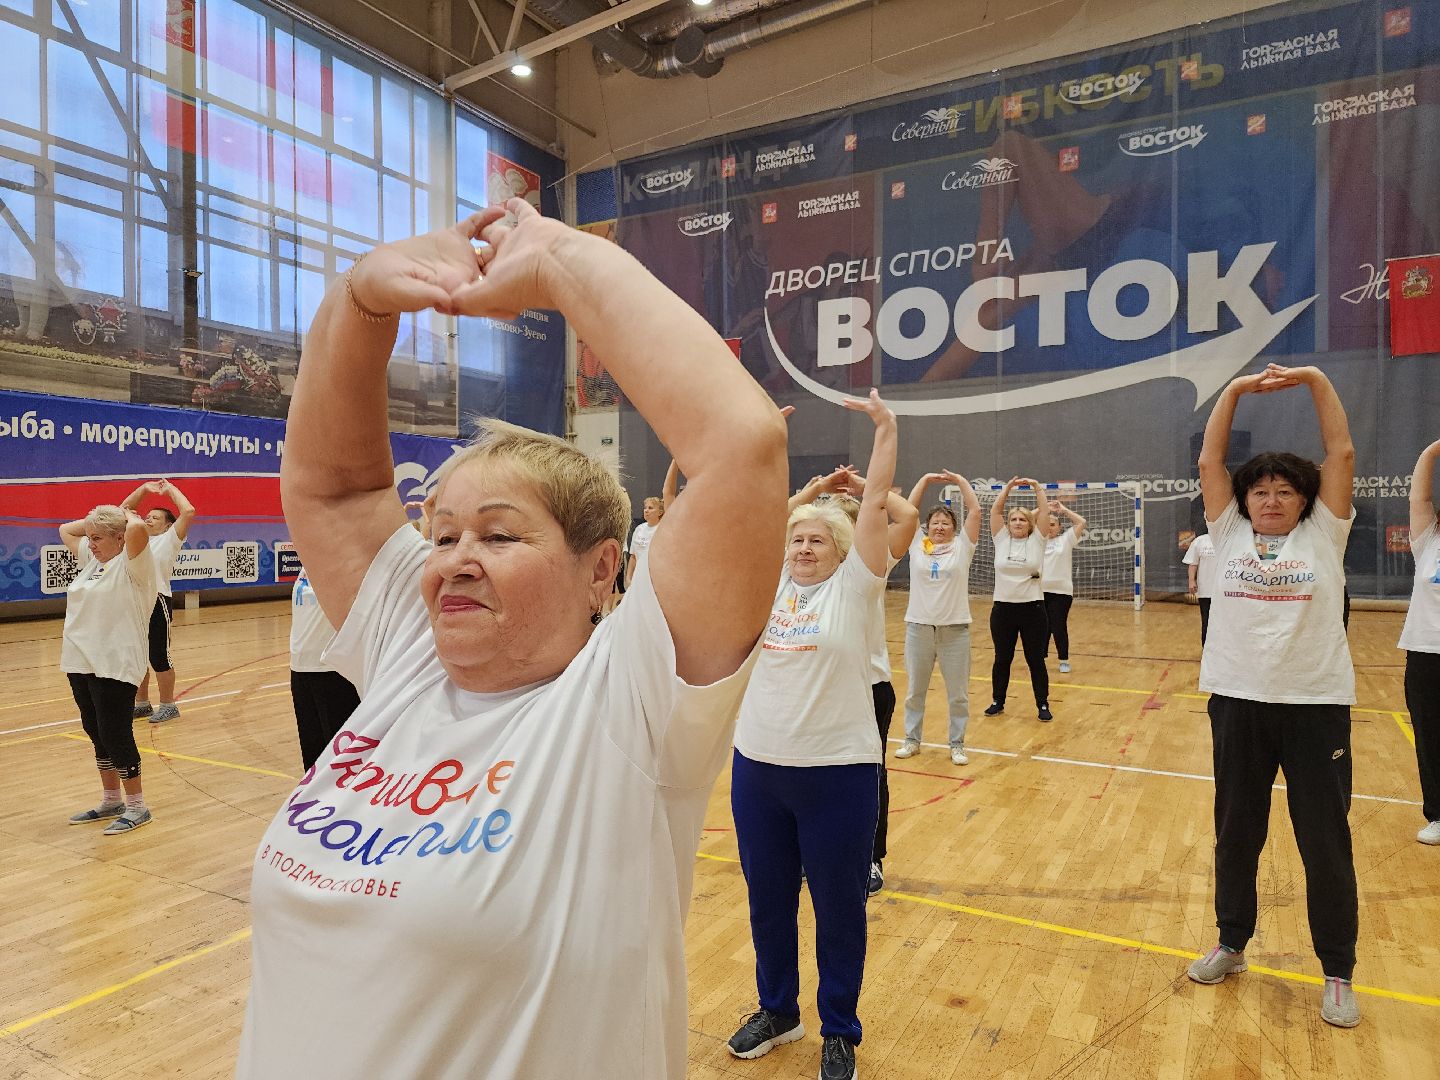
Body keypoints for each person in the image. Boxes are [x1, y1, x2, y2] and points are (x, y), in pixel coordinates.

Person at [237, 200, 789, 1079]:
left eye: (497, 536)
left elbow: (742, 443)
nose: (454, 560)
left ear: (600, 569)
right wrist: (361, 303)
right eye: (442, 533)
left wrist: (560, 263)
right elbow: (336, 492)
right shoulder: (410, 655)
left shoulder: (632, 703)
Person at [726, 391, 897, 1080]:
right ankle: (778, 1009)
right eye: (797, 537)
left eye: (817, 538)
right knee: (767, 899)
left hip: (838, 776)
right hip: (758, 771)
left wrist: (885, 430)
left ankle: (839, 1029)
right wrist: (773, 447)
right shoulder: (768, 585)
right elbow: (764, 513)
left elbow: (879, 497)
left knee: (837, 909)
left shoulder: (856, 589)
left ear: (843, 549)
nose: (802, 545)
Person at [1186, 363, 1360, 1029]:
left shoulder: (1325, 533)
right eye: (1260, 490)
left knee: (1323, 840)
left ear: (1304, 499)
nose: (1271, 499)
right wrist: (1230, 390)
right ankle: (1232, 943)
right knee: (1236, 833)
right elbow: (1210, 456)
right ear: (1245, 500)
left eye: (1285, 490)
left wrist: (1316, 378)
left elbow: (1340, 451)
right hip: (1237, 701)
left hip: (1315, 706)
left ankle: (1338, 971)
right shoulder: (1227, 531)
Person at [789, 466, 918, 897]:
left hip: (868, 685)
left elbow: (907, 518)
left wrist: (868, 490)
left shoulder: (868, 568)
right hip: (816, 680)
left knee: (868, 776)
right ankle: (811, 854)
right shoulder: (800, 571)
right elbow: (778, 527)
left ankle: (869, 858)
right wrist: (816, 489)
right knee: (809, 774)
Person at [58, 504, 157, 835]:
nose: (91, 543)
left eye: (98, 538)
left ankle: (137, 807)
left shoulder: (133, 565)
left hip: (115, 663)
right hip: (81, 661)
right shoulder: (93, 562)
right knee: (95, 730)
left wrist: (124, 511)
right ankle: (111, 799)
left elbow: (139, 530)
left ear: (119, 538)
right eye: (90, 538)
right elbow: (65, 530)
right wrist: (94, 523)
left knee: (116, 733)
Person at [896, 470, 981, 764]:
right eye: (935, 523)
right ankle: (911, 740)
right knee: (914, 691)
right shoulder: (918, 546)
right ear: (926, 527)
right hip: (918, 629)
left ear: (954, 528)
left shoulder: (962, 548)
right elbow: (907, 511)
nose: (940, 527)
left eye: (946, 523)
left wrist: (960, 481)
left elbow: (976, 510)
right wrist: (923, 481)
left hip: (955, 631)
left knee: (958, 695)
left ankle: (956, 744)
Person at [121, 479, 197, 724]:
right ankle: (141, 704)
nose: (148, 518)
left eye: (155, 517)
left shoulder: (170, 539)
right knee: (138, 656)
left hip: (157, 601)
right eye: (147, 515)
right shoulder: (136, 538)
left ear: (168, 526)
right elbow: (123, 508)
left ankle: (168, 705)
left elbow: (188, 511)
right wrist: (144, 489)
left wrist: (169, 489)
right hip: (134, 602)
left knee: (158, 656)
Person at [984, 477, 1052, 721]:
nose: (1017, 522)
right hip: (1003, 610)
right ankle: (997, 701)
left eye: (1022, 519)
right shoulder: (1001, 539)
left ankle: (1042, 704)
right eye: (1013, 519)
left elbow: (1044, 511)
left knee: (1035, 659)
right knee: (1002, 658)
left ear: (1030, 523)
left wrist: (1036, 486)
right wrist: (1008, 488)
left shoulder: (1038, 540)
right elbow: (995, 511)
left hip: (1033, 610)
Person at [1400, 438, 1440, 846]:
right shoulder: (1429, 540)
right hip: (1427, 654)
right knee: (1431, 737)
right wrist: (1430, 451)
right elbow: (1421, 495)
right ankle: (1439, 815)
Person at [288, 567, 361, 771]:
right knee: (312, 761)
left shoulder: (345, 560)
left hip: (333, 671)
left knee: (340, 761)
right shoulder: (307, 564)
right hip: (301, 669)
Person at [1040, 496, 1087, 675]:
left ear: (1059, 527)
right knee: (1041, 626)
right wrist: (1043, 509)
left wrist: (1063, 510)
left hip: (1061, 592)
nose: (1050, 527)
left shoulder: (1066, 540)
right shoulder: (1036, 540)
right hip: (1038, 591)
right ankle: (1040, 658)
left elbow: (1081, 522)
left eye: (1053, 524)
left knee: (1058, 625)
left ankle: (1063, 660)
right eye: (1047, 523)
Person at [1183, 531, 1217, 645]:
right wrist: (1191, 581)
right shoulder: (1200, 541)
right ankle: (1206, 650)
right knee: (1206, 621)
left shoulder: (1229, 540)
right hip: (1205, 591)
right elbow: (1193, 563)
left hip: (1225, 591)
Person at [625, 495, 664, 588]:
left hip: (655, 579)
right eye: (645, 508)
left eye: (650, 508)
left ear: (660, 512)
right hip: (638, 577)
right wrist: (628, 578)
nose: (646, 510)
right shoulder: (639, 529)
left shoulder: (662, 530)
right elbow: (633, 556)